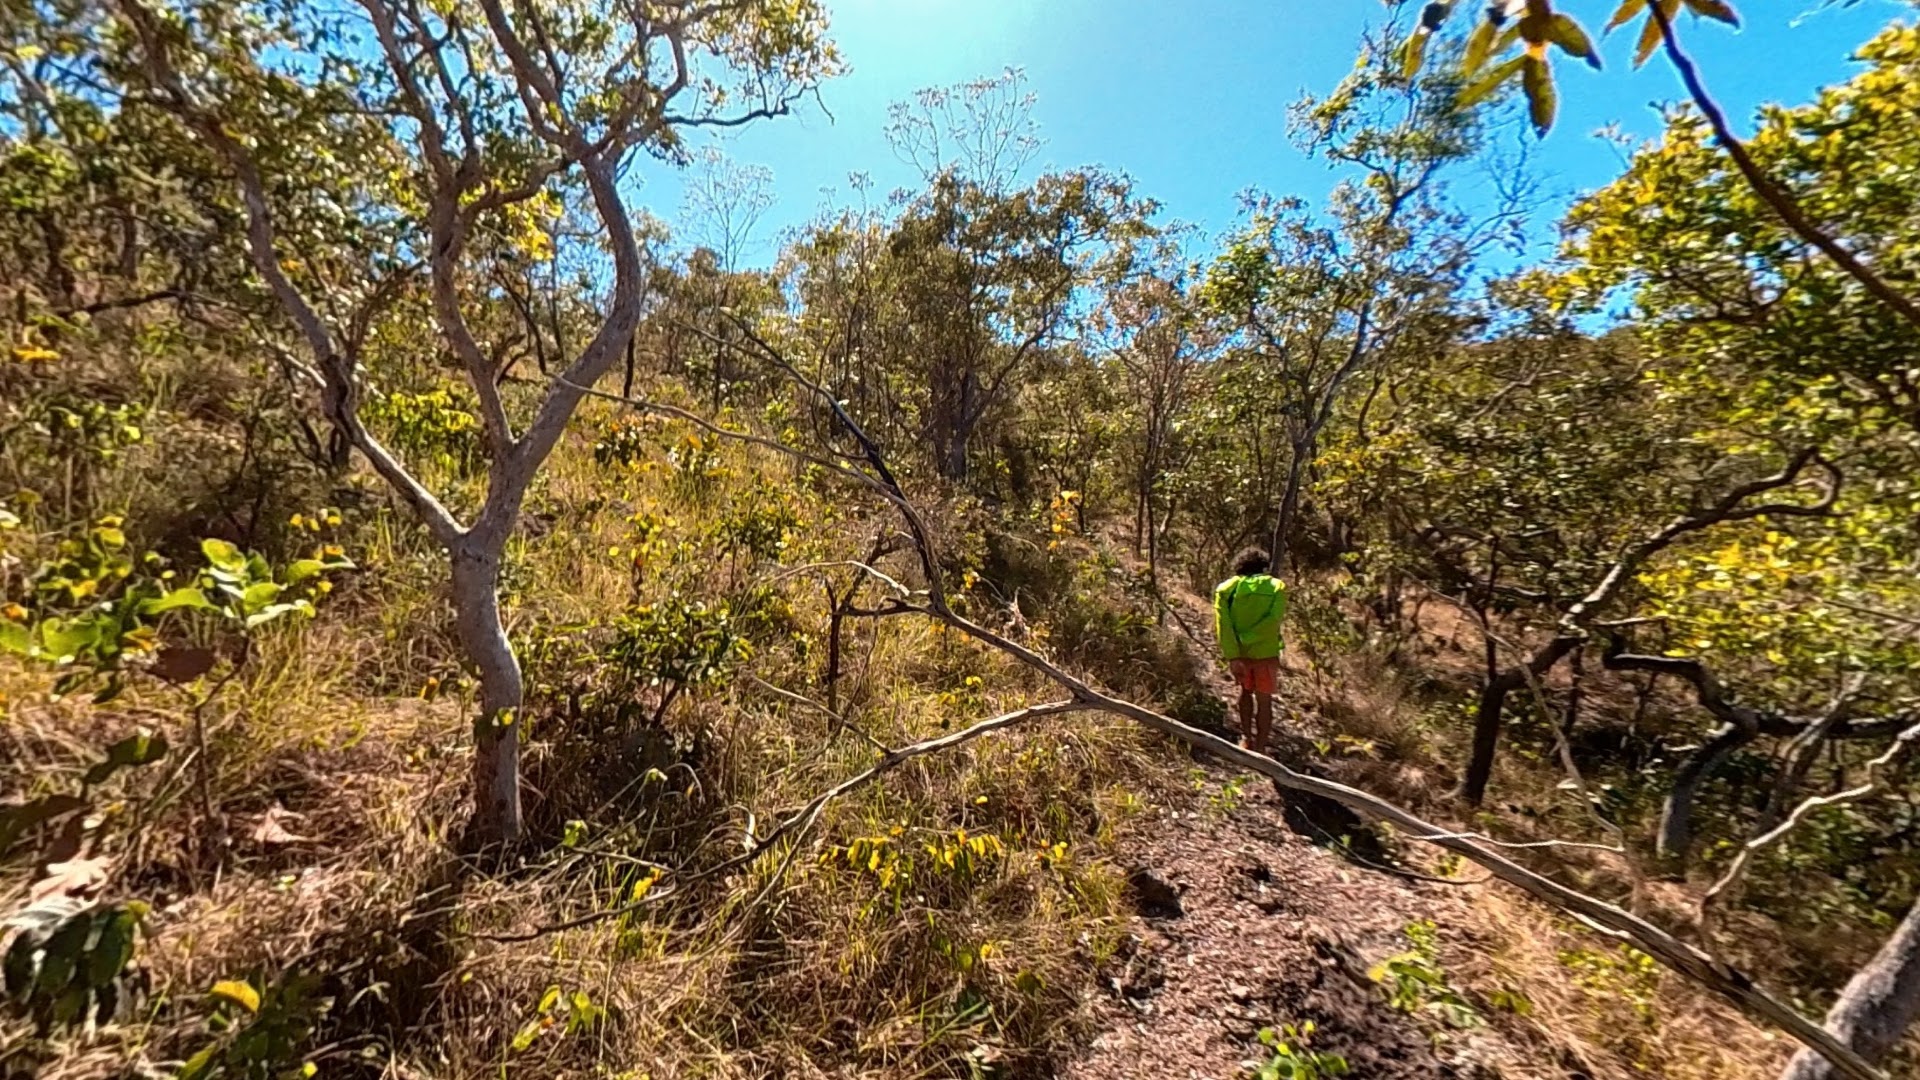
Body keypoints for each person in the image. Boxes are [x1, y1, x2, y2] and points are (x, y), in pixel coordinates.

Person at [1214, 548, 1287, 754]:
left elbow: (1223, 624)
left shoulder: (1226, 589)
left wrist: (1233, 653)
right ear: (1263, 567)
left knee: (1245, 693)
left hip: (1240, 654)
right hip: (1266, 652)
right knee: (1265, 701)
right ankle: (1261, 749)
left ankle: (1246, 738)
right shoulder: (1276, 587)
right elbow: (1274, 620)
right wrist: (1252, 638)